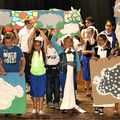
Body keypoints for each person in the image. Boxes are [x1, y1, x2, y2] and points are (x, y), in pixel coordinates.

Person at [51, 29, 86, 113]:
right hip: (63, 73)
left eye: (70, 42)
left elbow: (77, 63)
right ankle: (65, 105)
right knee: (64, 88)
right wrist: (55, 33)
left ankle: (72, 104)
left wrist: (77, 74)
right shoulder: (60, 50)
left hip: (72, 74)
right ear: (64, 43)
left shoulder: (75, 52)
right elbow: (53, 41)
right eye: (67, 42)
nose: (69, 43)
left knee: (72, 89)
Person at [93, 33, 112, 115]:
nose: (100, 41)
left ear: (105, 40)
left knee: (102, 89)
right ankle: (96, 105)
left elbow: (111, 60)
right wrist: (94, 58)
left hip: (105, 72)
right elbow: (93, 58)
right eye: (98, 40)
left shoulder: (109, 49)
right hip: (97, 71)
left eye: (101, 40)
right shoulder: (95, 48)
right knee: (96, 89)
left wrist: (110, 58)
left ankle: (101, 107)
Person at [29, 36, 46, 115]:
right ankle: (35, 108)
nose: (37, 46)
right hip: (33, 74)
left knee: (41, 92)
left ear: (41, 45)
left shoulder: (43, 52)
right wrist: (33, 31)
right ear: (33, 46)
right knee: (34, 92)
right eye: (35, 45)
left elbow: (45, 40)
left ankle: (40, 109)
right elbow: (29, 40)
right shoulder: (32, 52)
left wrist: (40, 30)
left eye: (38, 45)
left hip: (42, 74)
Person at [18, 18, 34, 89]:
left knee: (32, 67)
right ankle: (25, 83)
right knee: (25, 68)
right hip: (24, 51)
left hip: (33, 51)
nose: (32, 25)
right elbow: (19, 41)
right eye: (31, 23)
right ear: (27, 24)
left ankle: (31, 83)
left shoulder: (33, 30)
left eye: (32, 23)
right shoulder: (21, 31)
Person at [82, 26, 97, 97]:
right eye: (87, 33)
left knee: (94, 75)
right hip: (87, 60)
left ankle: (94, 92)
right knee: (87, 75)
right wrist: (90, 51)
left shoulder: (96, 41)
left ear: (93, 33)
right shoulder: (86, 41)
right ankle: (88, 90)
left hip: (95, 60)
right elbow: (83, 52)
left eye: (89, 33)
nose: (87, 34)